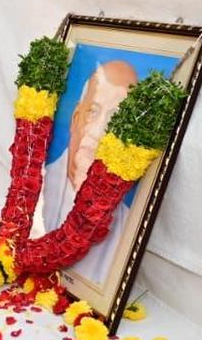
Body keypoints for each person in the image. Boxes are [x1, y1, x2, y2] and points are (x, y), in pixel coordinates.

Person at [42, 60, 138, 283]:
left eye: (115, 120)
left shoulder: (126, 227)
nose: (98, 133)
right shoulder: (38, 184)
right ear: (76, 118)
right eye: (93, 112)